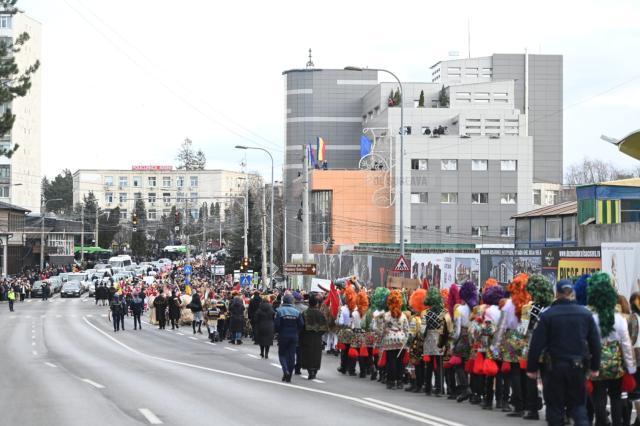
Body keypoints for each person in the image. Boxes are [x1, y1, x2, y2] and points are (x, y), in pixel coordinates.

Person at [527, 278, 602, 426]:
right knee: (579, 406)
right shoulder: (585, 314)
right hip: (578, 366)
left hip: (554, 367)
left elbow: (536, 343)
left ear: (557, 293)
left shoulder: (548, 315)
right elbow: (595, 342)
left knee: (555, 408)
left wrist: (532, 368)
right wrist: (595, 366)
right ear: (572, 293)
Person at [588, 273, 636, 426]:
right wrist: (631, 367)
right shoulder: (619, 319)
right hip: (616, 365)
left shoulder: (590, 318)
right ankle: (617, 423)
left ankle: (601, 422)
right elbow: (626, 345)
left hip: (595, 363)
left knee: (598, 397)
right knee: (616, 397)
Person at [379, 289, 409, 390]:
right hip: (401, 340)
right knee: (400, 361)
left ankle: (391, 381)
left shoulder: (386, 315)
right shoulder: (403, 315)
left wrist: (383, 335)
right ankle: (399, 381)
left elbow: (382, 329)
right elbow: (407, 329)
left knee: (391, 361)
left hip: (390, 340)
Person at [274, 293, 305, 382]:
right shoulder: (297, 312)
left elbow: (277, 324)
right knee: (291, 356)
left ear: (284, 301)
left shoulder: (279, 311)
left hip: (283, 335)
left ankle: (285, 370)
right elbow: (301, 324)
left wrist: (278, 332)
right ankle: (289, 375)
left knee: (282, 354)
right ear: (292, 301)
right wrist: (296, 332)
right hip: (294, 336)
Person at [299, 293, 328, 379]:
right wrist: (319, 333)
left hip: (307, 336)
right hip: (317, 337)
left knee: (307, 354)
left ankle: (310, 371)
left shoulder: (305, 313)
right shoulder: (321, 314)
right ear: (316, 303)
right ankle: (314, 371)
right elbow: (325, 327)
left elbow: (301, 326)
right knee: (316, 354)